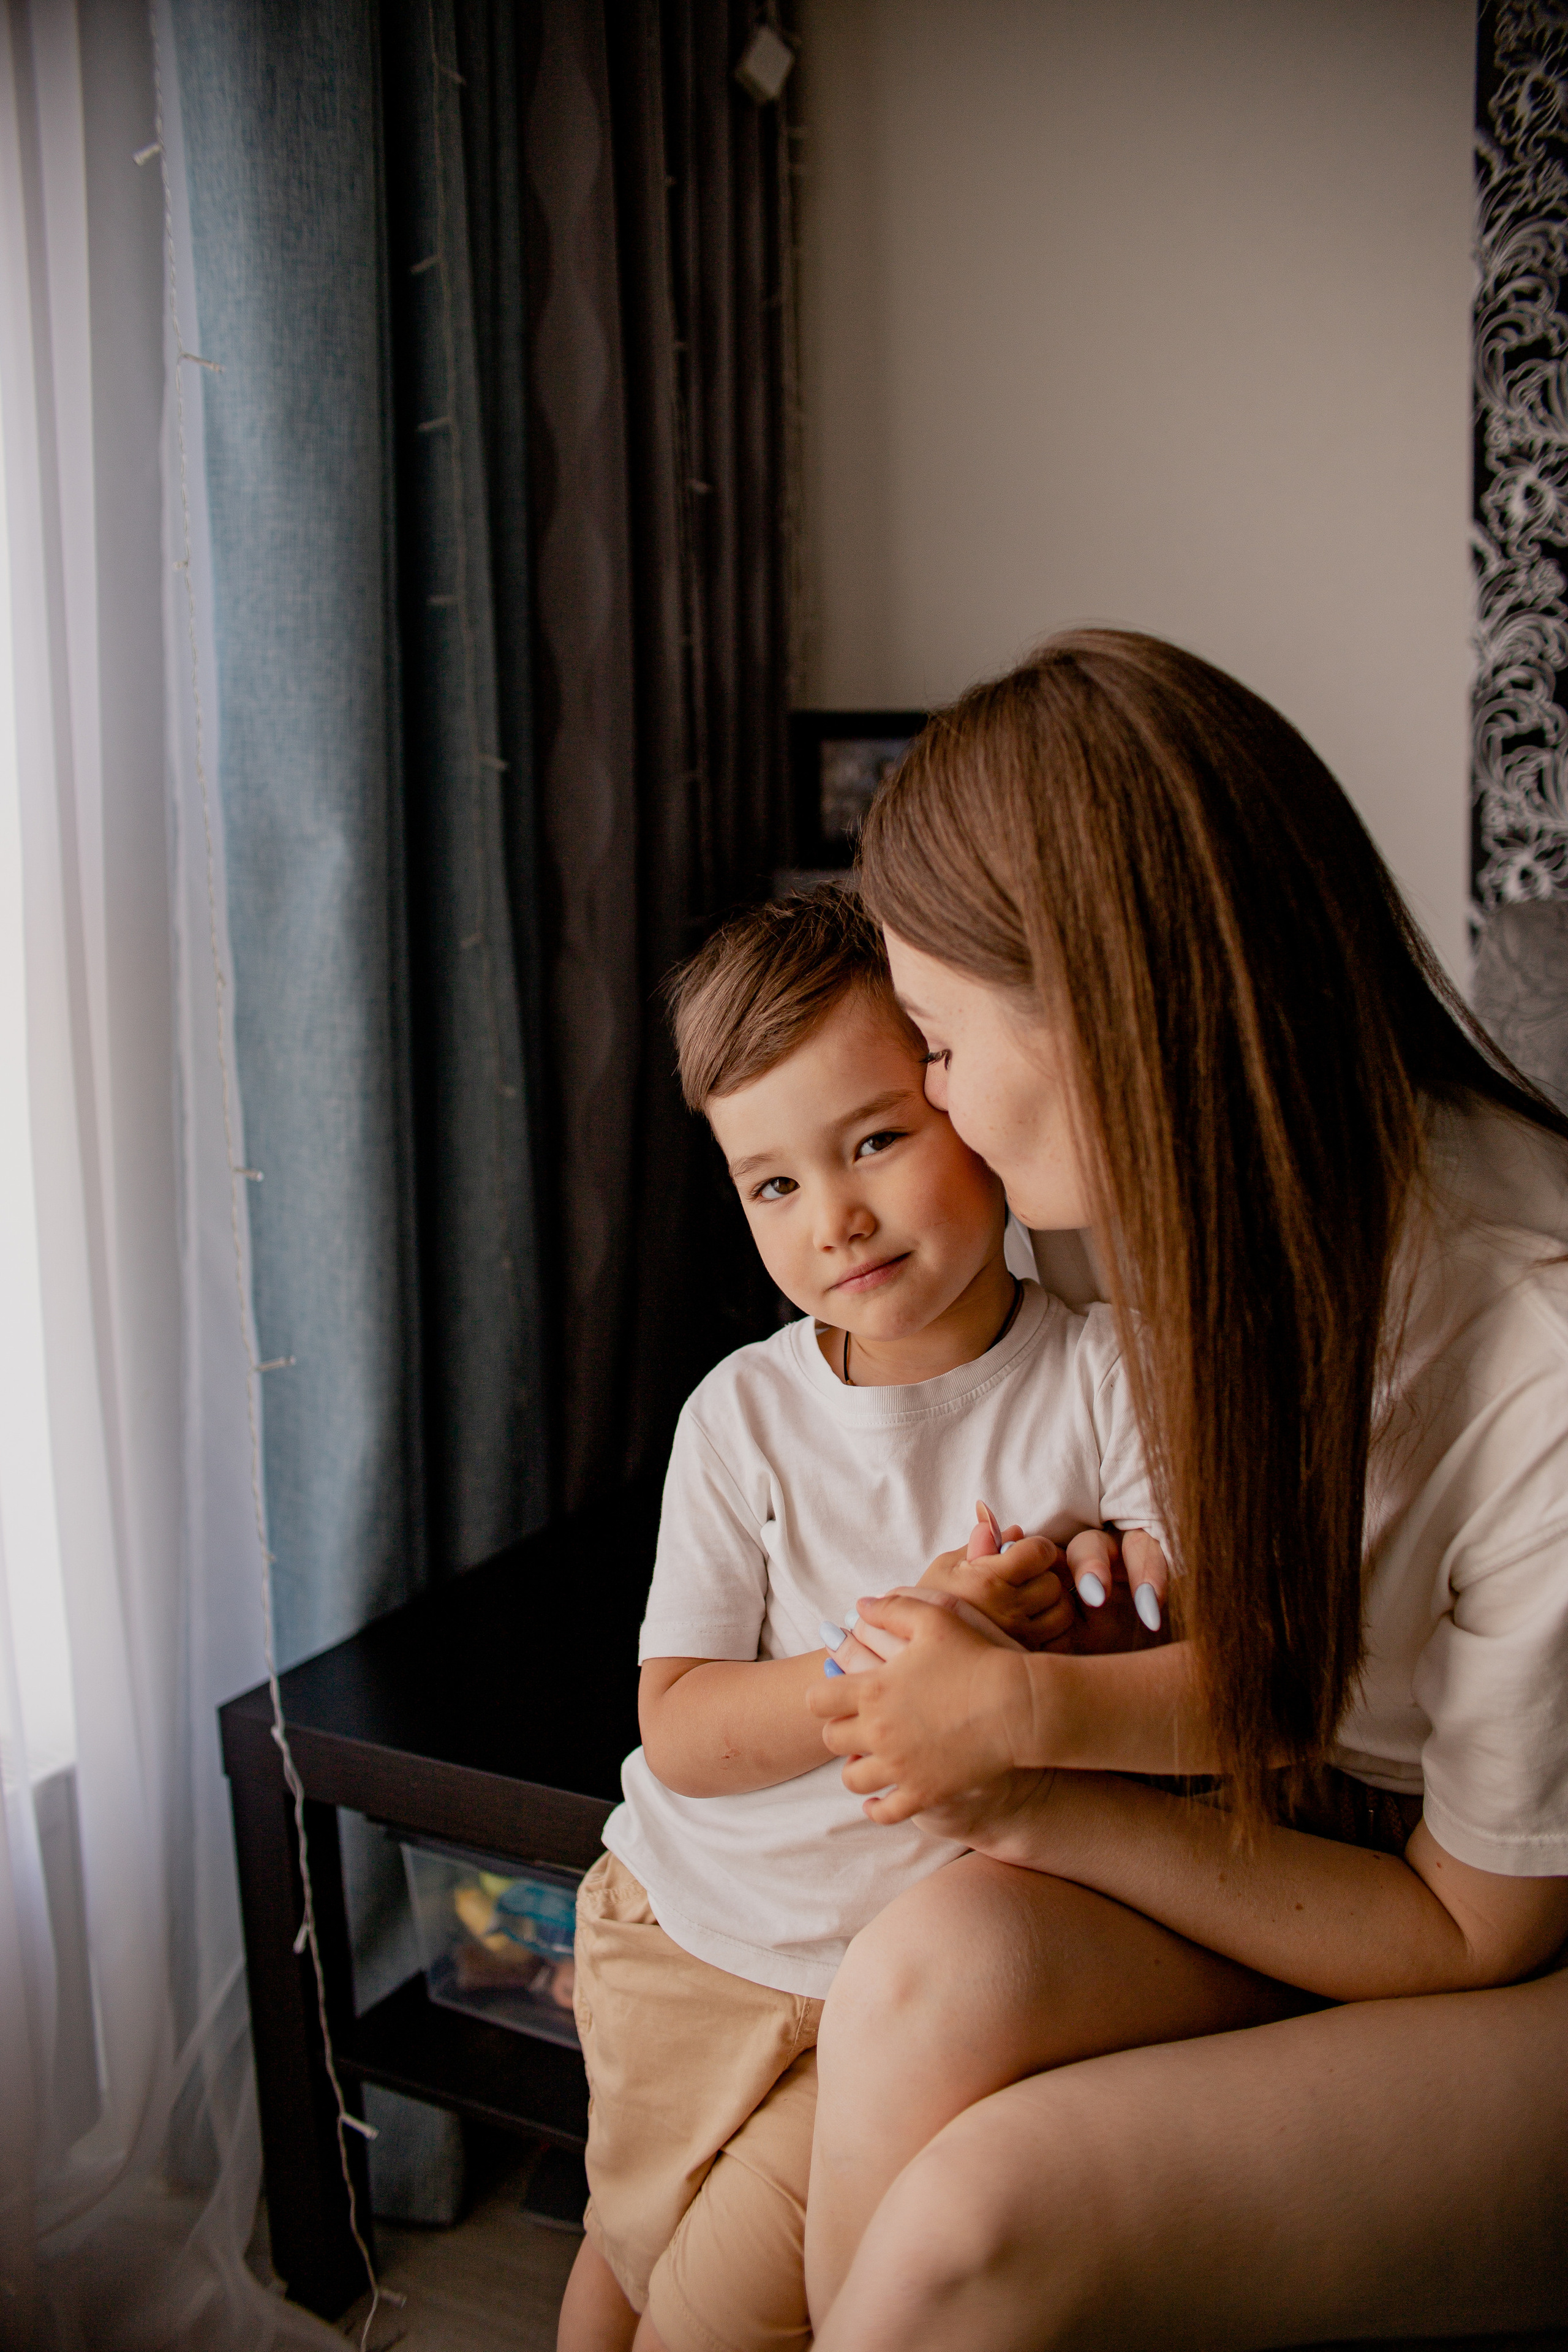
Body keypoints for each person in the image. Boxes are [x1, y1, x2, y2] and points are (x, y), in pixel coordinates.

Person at [793, 629, 1568, 2348]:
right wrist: (1098, 1623)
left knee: (980, 2231)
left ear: (1103, 1011)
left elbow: (1473, 1926)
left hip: (1509, 1926)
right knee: (913, 1983)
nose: (930, 1103)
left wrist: (1030, 1768)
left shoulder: (1533, 1351)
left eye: (936, 1040)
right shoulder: (1191, 1210)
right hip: (1347, 1826)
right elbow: (1292, 1648)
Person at [555, 886, 1170, 2352]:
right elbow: (679, 1727)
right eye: (770, 1185)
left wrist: (1107, 1599)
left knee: (720, 2309)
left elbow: (1177, 1614)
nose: (831, 1218)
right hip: (694, 1934)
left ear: (964, 1102)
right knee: (622, 2253)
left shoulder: (1103, 1378)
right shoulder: (744, 1418)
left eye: (874, 1141)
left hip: (890, 1990)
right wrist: (885, 1651)